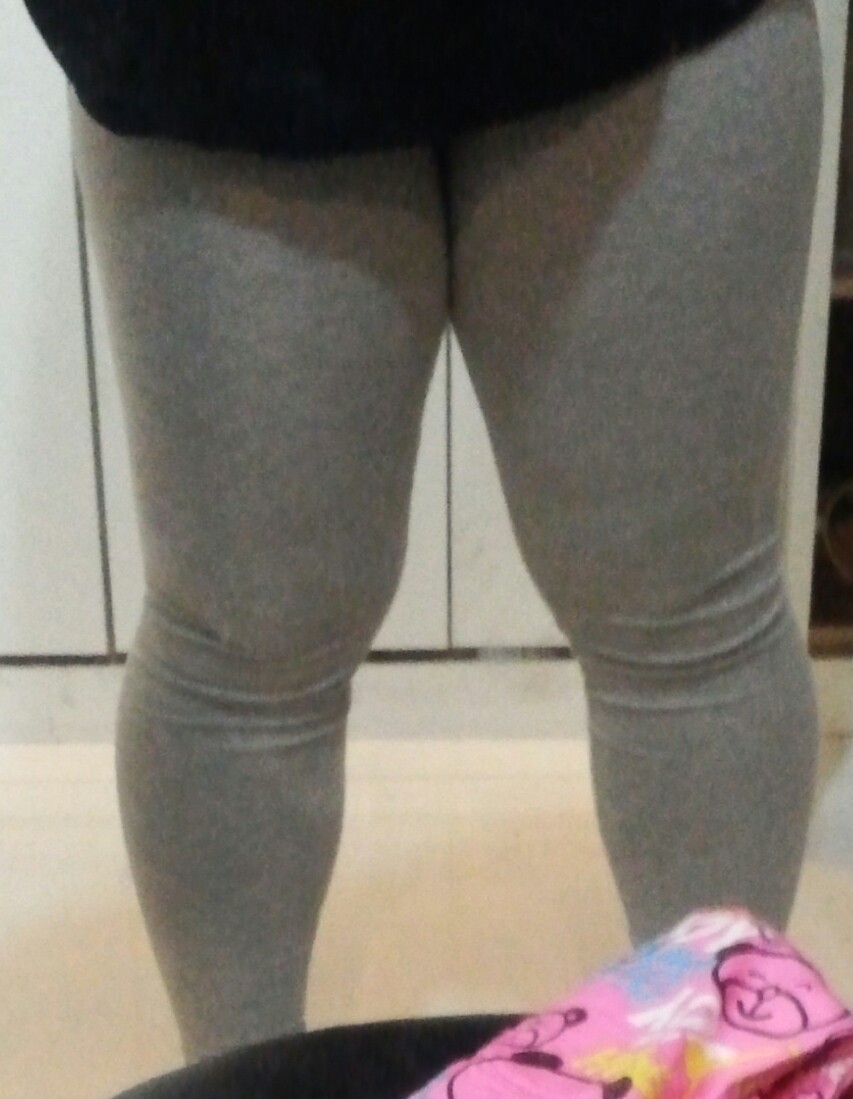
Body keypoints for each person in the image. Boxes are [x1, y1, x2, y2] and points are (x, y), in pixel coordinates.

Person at [21, 0, 823, 1068]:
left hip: (654, 30)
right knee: (241, 650)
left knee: (688, 621)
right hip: (220, 40)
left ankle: (724, 1074)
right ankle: (243, 1083)